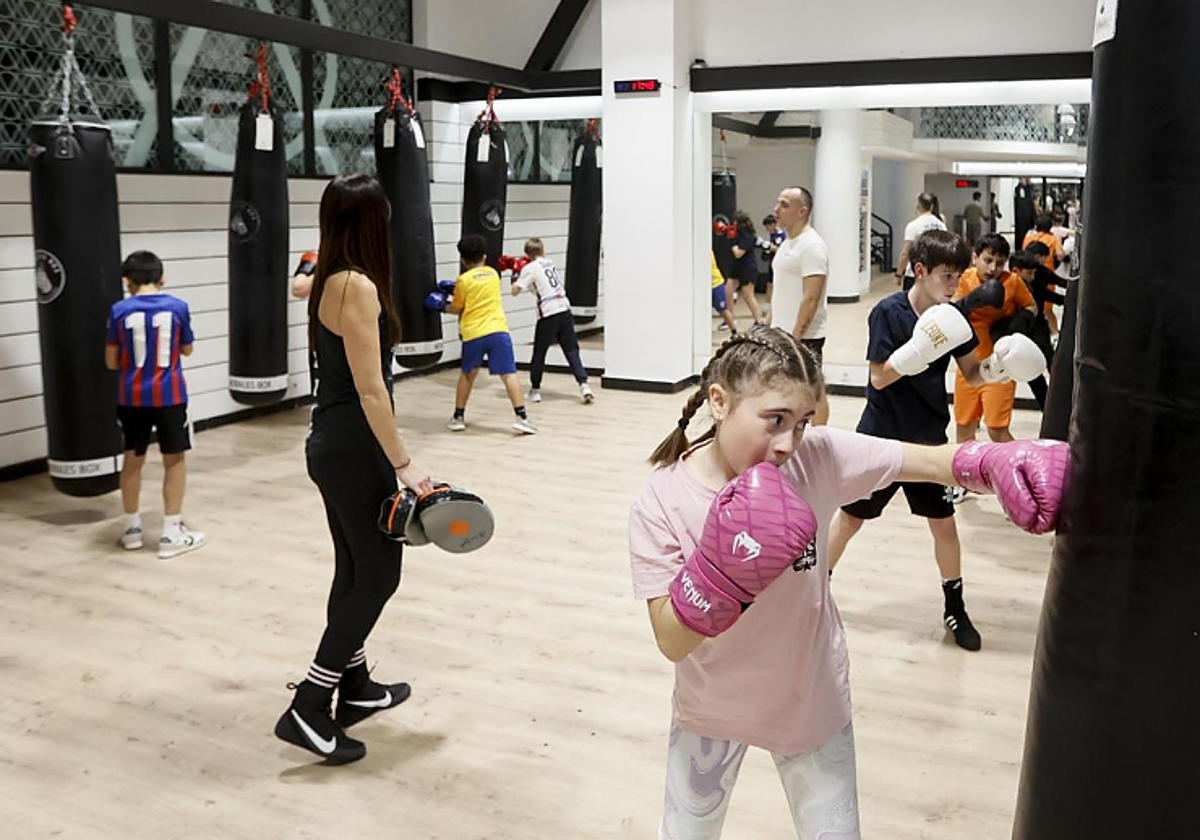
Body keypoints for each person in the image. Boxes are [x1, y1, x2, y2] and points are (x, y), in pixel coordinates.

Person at [629, 325, 1068, 839]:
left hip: (810, 704)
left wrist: (993, 461)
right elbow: (671, 640)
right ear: (719, 401)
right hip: (710, 711)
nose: (787, 443)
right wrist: (721, 573)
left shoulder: (815, 457)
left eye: (802, 423)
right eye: (774, 420)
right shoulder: (662, 499)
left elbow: (924, 460)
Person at [275, 174, 434, 765]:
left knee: (354, 570)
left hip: (334, 445)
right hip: (353, 449)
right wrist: (405, 464)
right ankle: (310, 705)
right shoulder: (356, 286)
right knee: (378, 577)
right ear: (372, 222)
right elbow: (372, 391)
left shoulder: (328, 278)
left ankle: (357, 685)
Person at [826, 230, 1014, 651]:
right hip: (879, 438)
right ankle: (813, 591)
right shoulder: (888, 313)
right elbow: (879, 377)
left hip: (929, 440)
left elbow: (972, 374)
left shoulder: (953, 318)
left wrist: (999, 368)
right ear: (920, 271)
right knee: (851, 519)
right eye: (947, 276)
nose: (954, 285)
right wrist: (918, 350)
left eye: (958, 277)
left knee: (944, 525)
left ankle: (955, 607)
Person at [105, 251, 205, 560]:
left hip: (131, 398)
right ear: (162, 278)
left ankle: (132, 530)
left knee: (132, 459)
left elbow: (111, 361)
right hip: (169, 396)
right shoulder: (178, 307)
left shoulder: (119, 310)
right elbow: (187, 350)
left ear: (127, 281)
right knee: (174, 460)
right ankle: (171, 532)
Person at [432, 234, 536, 435]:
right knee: (509, 374)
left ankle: (458, 417)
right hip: (498, 331)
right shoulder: (493, 274)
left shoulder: (463, 280)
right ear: (485, 256)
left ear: (462, 259)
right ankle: (522, 417)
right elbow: (479, 290)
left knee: (467, 376)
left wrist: (441, 305)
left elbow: (457, 308)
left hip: (474, 334)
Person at [953, 234, 1040, 454]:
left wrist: (1019, 323)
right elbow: (949, 310)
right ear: (975, 258)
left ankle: (1020, 465)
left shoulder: (1012, 281)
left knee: (997, 430)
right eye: (988, 260)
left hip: (1000, 367)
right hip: (967, 365)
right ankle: (965, 473)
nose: (993, 268)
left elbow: (1032, 306)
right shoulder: (964, 279)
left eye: (1000, 263)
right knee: (964, 427)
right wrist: (969, 302)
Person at [769, 186, 831, 426]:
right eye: (778, 203)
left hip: (804, 337)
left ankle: (819, 437)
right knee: (787, 390)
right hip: (782, 333)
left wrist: (796, 337)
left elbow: (811, 298)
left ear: (802, 211)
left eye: (784, 204)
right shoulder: (788, 243)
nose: (777, 209)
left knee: (813, 393)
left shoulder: (812, 246)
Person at [511, 237, 594, 405]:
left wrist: (515, 272)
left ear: (526, 253)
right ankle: (584, 385)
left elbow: (515, 291)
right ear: (543, 250)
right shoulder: (550, 263)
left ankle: (535, 391)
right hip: (564, 308)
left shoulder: (529, 268)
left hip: (548, 312)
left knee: (539, 352)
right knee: (571, 350)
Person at [1009, 247, 1066, 409]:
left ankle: (1057, 404)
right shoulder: (1006, 287)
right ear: (1016, 271)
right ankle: (1047, 406)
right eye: (1030, 273)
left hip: (1038, 329)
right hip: (1020, 336)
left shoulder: (1034, 285)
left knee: (1051, 362)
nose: (1033, 277)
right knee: (1033, 375)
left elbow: (1053, 296)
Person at [895, 193, 947, 289]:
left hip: (914, 274)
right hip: (935, 272)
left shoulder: (913, 225)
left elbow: (905, 254)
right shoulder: (941, 225)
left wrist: (899, 274)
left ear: (917, 206)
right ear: (932, 206)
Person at [728, 211, 766, 325]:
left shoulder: (747, 236)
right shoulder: (737, 234)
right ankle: (729, 319)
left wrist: (732, 242)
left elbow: (738, 253)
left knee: (748, 295)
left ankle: (758, 321)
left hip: (748, 267)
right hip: (737, 267)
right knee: (727, 291)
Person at [758, 213, 785, 319]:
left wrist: (770, 247)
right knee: (769, 284)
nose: (767, 229)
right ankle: (767, 305)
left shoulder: (782, 235)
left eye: (767, 226)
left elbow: (781, 250)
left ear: (773, 224)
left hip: (780, 263)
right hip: (772, 262)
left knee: (778, 285)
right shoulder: (772, 234)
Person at [709, 251, 737, 334]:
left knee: (723, 310)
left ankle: (734, 331)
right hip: (705, 286)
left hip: (716, 284)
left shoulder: (707, 251)